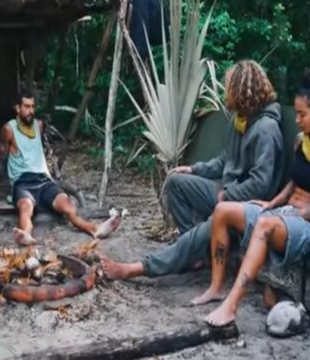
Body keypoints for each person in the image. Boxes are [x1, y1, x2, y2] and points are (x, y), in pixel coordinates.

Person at [102, 60, 284, 280]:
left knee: (209, 224)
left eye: (229, 88)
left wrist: (228, 196)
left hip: (247, 205)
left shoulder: (266, 129)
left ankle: (139, 268)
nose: (226, 93)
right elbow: (226, 160)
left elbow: (262, 185)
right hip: (227, 193)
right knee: (176, 182)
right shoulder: (240, 120)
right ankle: (196, 253)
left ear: (240, 90)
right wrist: (194, 169)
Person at [196, 70, 310, 327]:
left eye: (302, 114)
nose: (296, 120)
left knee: (265, 225)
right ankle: (216, 287)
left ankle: (230, 307)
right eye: (296, 113)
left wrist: (281, 214)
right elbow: (293, 183)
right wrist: (272, 204)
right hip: (284, 213)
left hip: (308, 225)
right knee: (223, 210)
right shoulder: (300, 141)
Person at [0, 90, 122, 246]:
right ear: (17, 108)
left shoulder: (38, 126)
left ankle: (94, 229)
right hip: (23, 182)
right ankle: (26, 234)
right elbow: (1, 159)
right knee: (26, 208)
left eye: (33, 107)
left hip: (43, 180)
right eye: (27, 107)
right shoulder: (8, 130)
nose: (31, 111)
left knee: (67, 205)